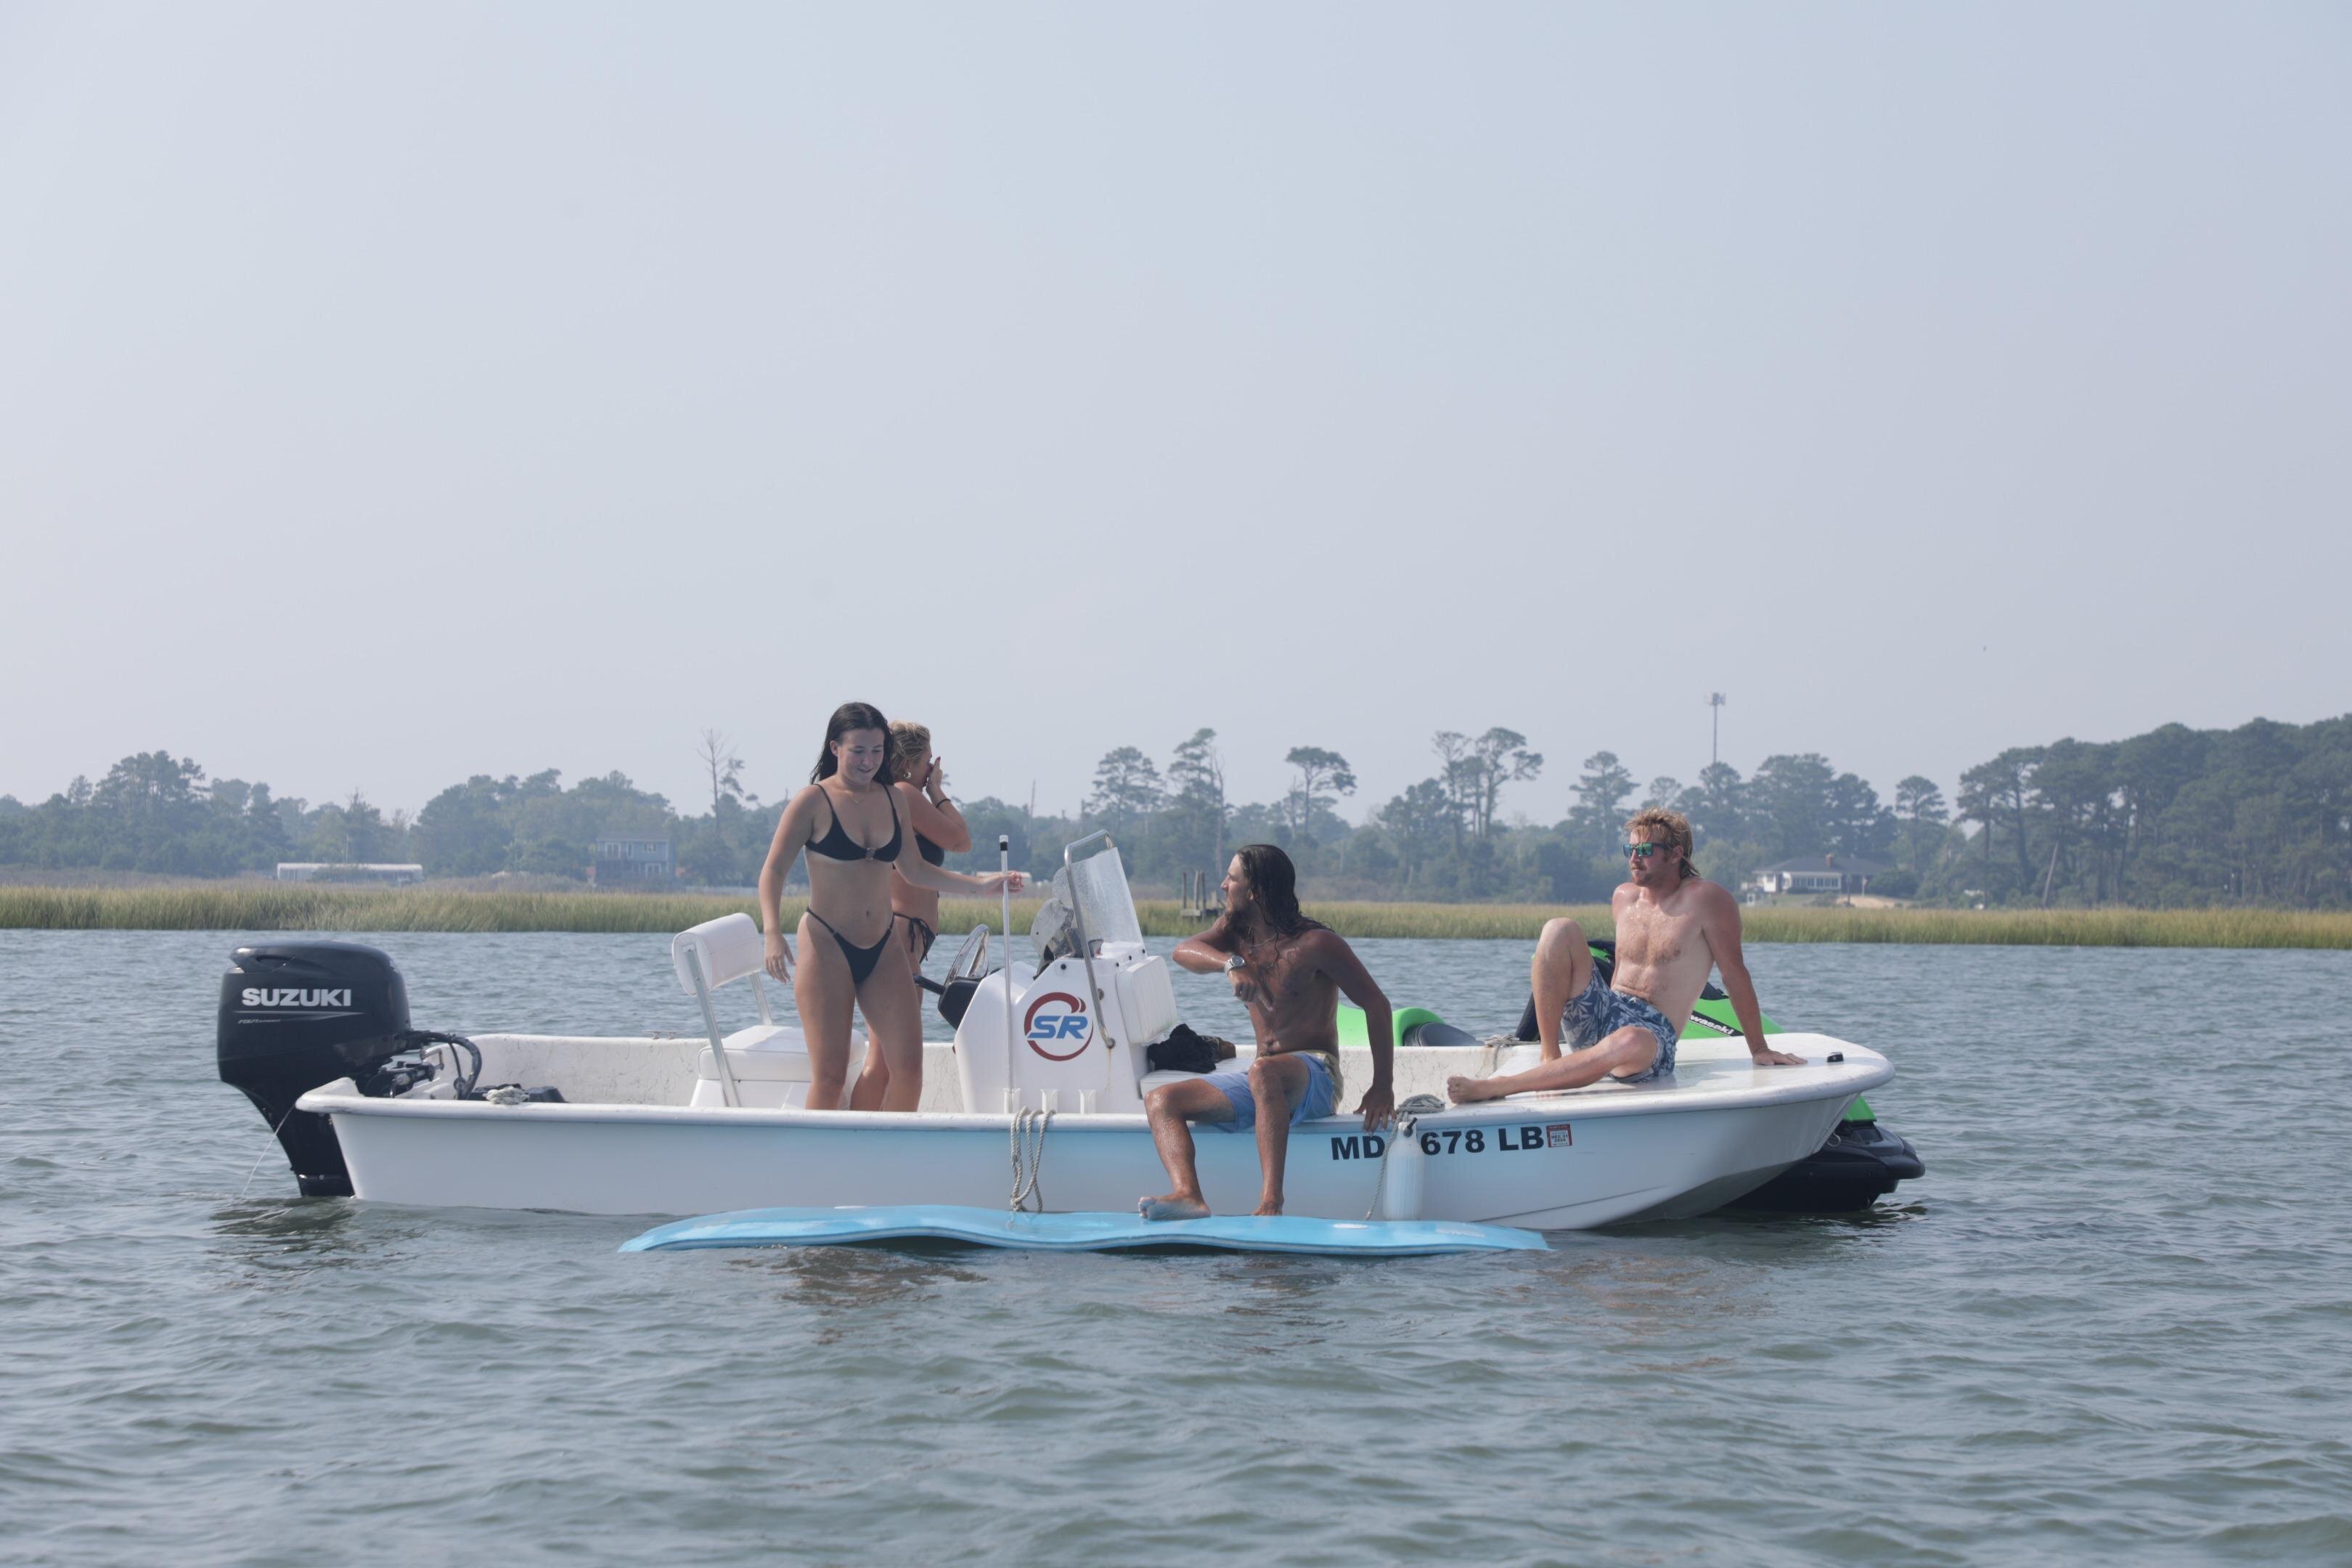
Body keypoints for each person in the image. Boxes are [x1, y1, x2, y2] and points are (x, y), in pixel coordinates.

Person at [758, 702, 1023, 1112]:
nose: (868, 760)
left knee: (909, 1070)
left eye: (877, 750)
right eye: (858, 751)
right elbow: (774, 870)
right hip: (827, 944)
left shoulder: (894, 799)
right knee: (829, 1077)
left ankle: (889, 1149)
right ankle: (818, 1152)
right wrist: (772, 933)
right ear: (835, 748)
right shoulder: (812, 801)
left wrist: (983, 886)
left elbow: (915, 870)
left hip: (883, 947)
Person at [1447, 808, 1804, 1106]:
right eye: (1630, 849)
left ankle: (1501, 1087)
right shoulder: (1624, 897)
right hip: (1605, 1009)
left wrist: (1759, 1048)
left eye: (1645, 850)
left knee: (1630, 1038)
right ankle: (1550, 1057)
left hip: (1651, 1036)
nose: (1634, 858)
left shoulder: (1707, 899)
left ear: (1676, 854)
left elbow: (1735, 974)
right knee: (1558, 928)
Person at [1140, 844, 1397, 1220]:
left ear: (1255, 891)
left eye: (1232, 879)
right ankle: (1188, 1195)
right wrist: (1231, 964)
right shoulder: (1235, 934)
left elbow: (1377, 1005)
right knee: (1162, 1100)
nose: (1223, 885)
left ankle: (1270, 1203)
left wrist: (1382, 1086)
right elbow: (1183, 952)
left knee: (1263, 1073)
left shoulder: (1317, 943)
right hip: (1264, 1075)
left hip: (1316, 1074)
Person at [885, 720, 971, 979]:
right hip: (903, 931)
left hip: (909, 932)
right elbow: (961, 841)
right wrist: (935, 789)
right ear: (906, 765)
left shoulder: (893, 795)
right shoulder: (904, 793)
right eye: (927, 761)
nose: (932, 769)